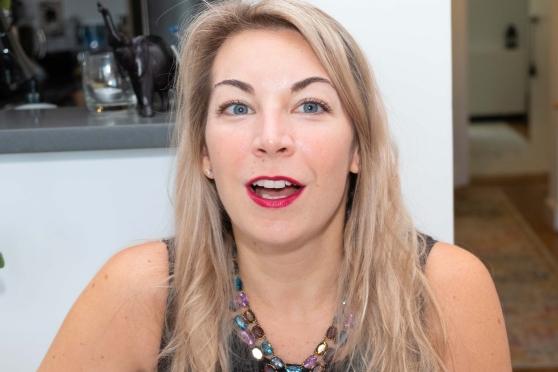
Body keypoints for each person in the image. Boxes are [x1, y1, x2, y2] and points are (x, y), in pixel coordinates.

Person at [38, 0, 512, 371]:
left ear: (358, 149)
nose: (270, 140)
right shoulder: (141, 290)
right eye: (237, 108)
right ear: (204, 152)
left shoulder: (446, 290)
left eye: (310, 106)